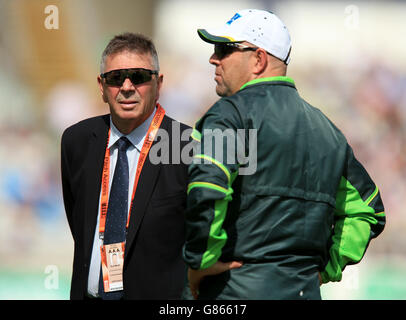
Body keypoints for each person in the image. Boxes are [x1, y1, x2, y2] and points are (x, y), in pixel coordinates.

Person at [182, 9, 386, 300]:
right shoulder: (329, 131)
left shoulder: (229, 114)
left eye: (224, 49)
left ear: (259, 59)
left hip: (234, 291)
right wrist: (325, 269)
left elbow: (207, 188)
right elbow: (368, 211)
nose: (213, 58)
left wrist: (200, 261)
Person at [61, 32, 190, 299]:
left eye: (139, 77)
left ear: (159, 83)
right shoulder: (77, 141)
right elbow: (80, 225)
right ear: (101, 86)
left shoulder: (187, 147)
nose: (127, 87)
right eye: (116, 78)